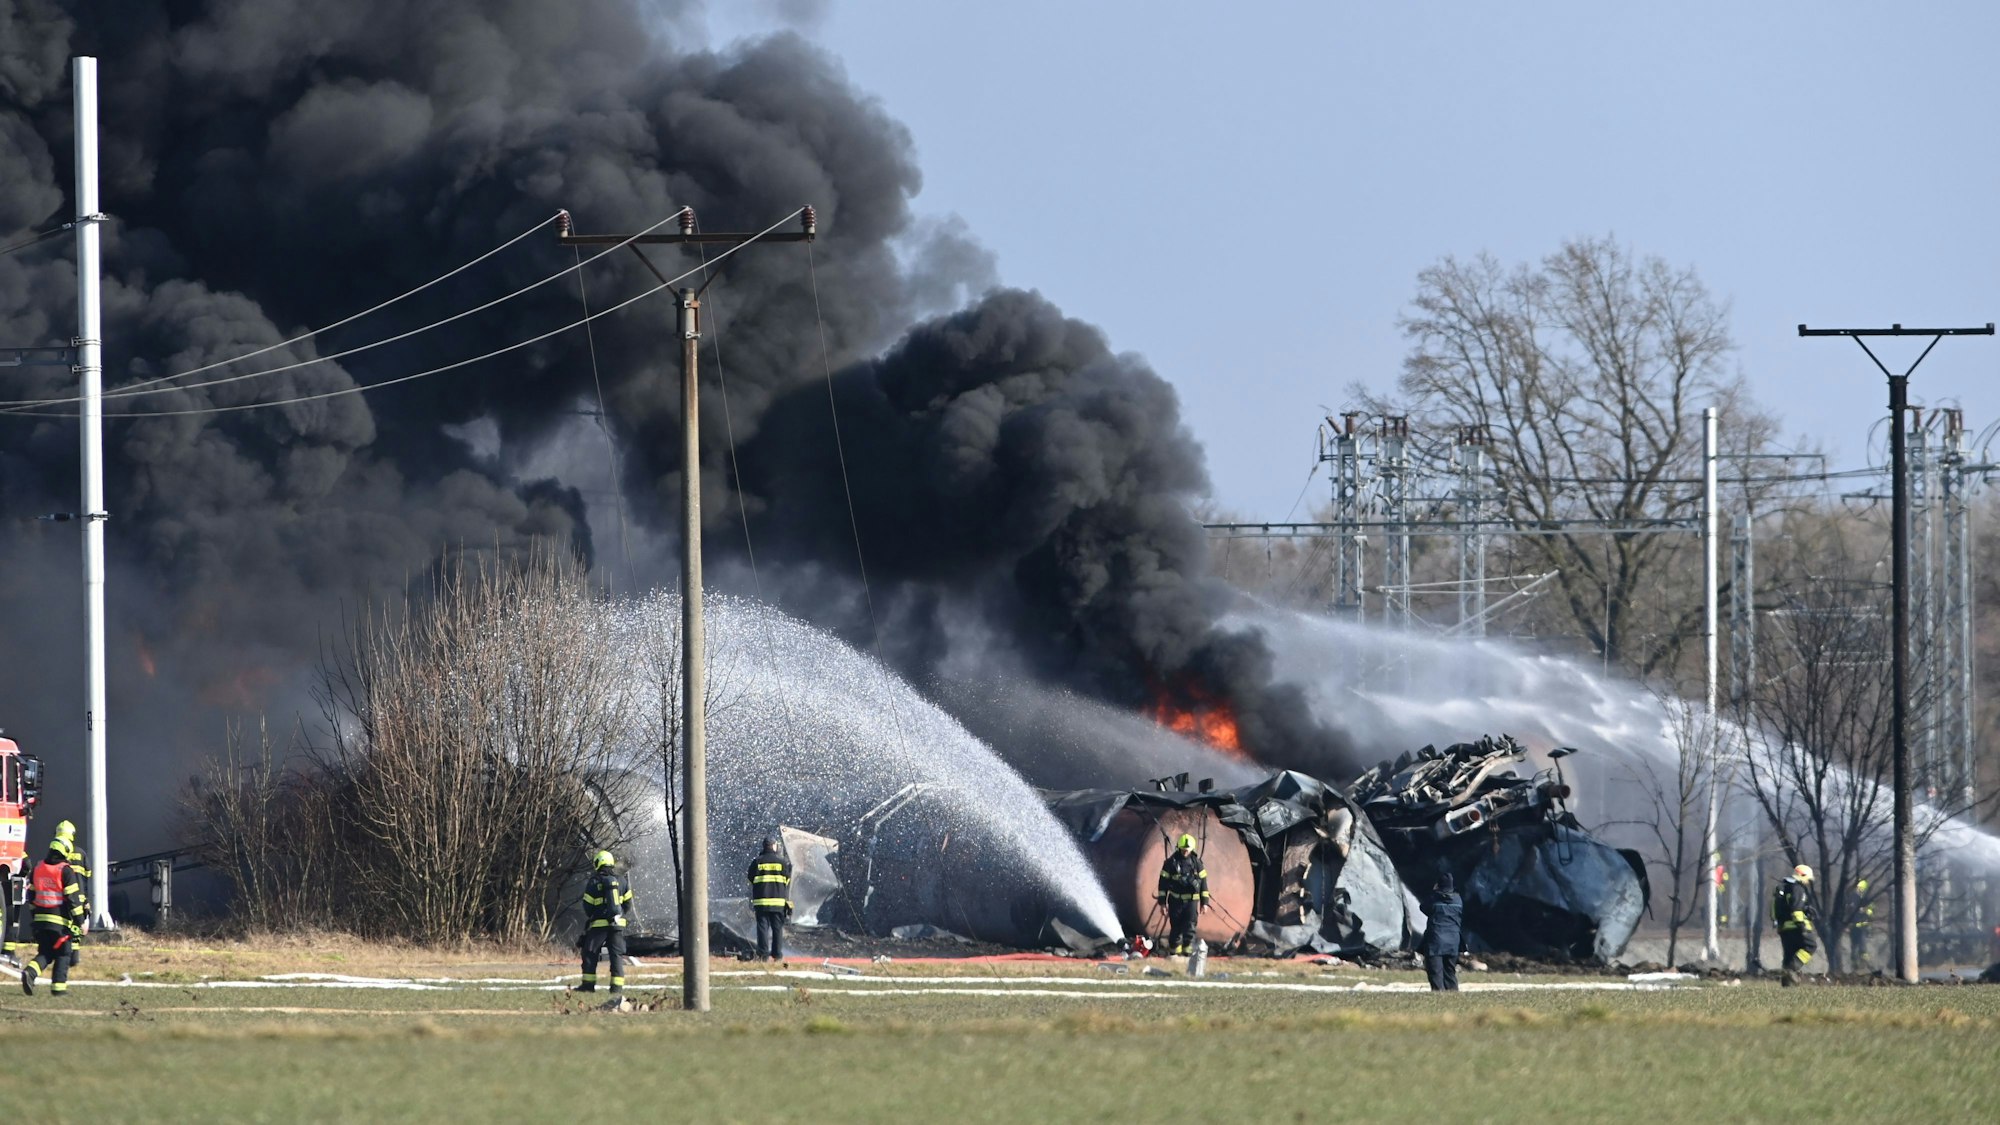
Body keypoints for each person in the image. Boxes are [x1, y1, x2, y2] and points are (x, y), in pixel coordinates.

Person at [19, 840, 85, 996]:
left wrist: (35, 916)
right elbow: (73, 899)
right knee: (63, 952)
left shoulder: (38, 868)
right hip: (59, 922)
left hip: (40, 921)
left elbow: (31, 895)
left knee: (46, 952)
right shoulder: (65, 871)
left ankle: (30, 972)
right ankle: (58, 989)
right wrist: (80, 921)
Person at [578, 850, 634, 999]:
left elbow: (587, 906)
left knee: (590, 953)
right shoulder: (622, 881)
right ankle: (616, 988)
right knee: (616, 956)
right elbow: (628, 904)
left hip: (599, 926)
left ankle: (588, 986)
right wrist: (619, 915)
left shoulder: (594, 882)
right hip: (617, 926)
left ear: (599, 863)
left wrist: (595, 915)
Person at [1155, 833, 1210, 956]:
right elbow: (1162, 884)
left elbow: (1203, 885)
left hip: (1191, 902)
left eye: (1187, 850)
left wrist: (1205, 903)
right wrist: (1162, 903)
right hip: (1175, 901)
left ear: (1192, 849)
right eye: (1183, 849)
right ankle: (1174, 951)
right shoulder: (1171, 863)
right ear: (1179, 848)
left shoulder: (1197, 864)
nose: (1185, 852)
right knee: (1176, 926)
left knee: (1190, 926)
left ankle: (1188, 952)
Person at [1772, 863, 1819, 986]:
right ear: (1802, 876)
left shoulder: (1785, 887)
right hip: (1796, 926)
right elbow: (1796, 909)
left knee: (1789, 954)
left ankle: (1787, 985)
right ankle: (1792, 969)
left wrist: (1806, 909)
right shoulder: (1798, 889)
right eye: (1807, 879)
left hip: (1784, 927)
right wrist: (1802, 926)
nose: (1808, 882)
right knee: (1810, 946)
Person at [747, 837, 793, 963]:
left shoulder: (757, 861)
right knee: (777, 929)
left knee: (762, 928)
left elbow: (750, 878)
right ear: (773, 846)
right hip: (778, 902)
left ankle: (763, 955)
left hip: (761, 901)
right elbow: (787, 880)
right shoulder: (782, 862)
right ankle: (777, 955)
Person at [1420, 873, 1464, 992]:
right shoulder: (1458, 900)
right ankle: (1453, 994)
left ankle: (1439, 995)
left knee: (1436, 972)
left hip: (1436, 941)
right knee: (1450, 972)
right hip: (1453, 941)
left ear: (1438, 885)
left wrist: (1434, 891)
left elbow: (1423, 907)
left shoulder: (1434, 899)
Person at [1849, 878, 1872, 969]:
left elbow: (1871, 910)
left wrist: (1865, 911)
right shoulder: (1852, 897)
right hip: (1855, 926)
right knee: (1855, 946)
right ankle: (1856, 964)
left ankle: (1864, 964)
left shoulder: (1865, 899)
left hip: (1862, 927)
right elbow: (1849, 911)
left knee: (1862, 946)